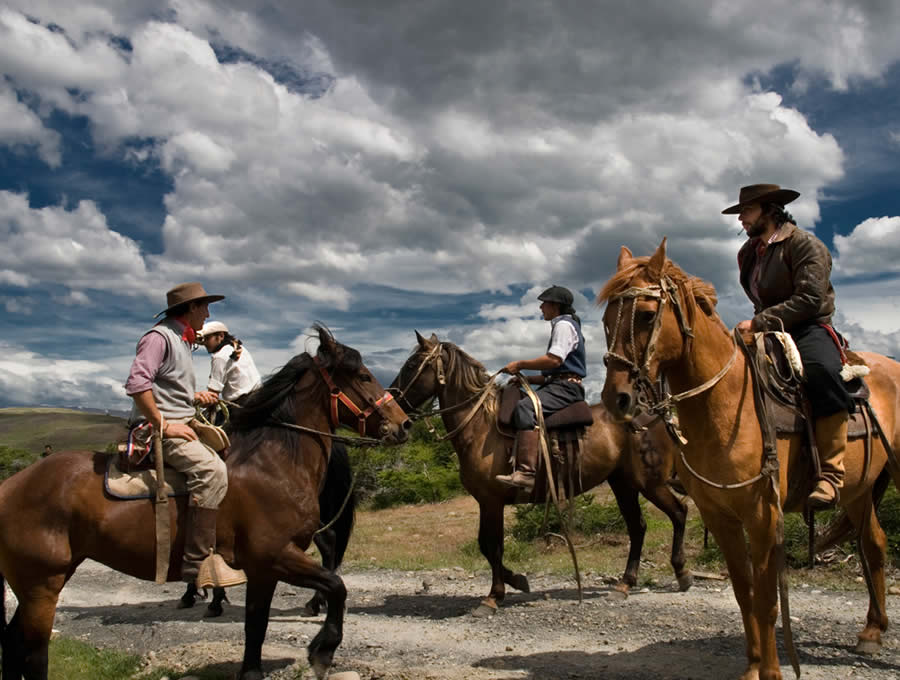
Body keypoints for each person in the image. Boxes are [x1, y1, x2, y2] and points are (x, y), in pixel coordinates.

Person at [726, 183, 854, 508]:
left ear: (769, 210)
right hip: (769, 329)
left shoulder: (804, 244)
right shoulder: (748, 253)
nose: (741, 218)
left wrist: (759, 323)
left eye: (747, 211)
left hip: (808, 327)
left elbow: (811, 299)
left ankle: (831, 474)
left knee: (823, 371)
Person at [124, 282, 246, 587]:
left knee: (231, 455)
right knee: (212, 471)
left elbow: (166, 387)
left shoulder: (180, 339)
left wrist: (193, 397)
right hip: (160, 430)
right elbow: (138, 384)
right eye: (204, 308)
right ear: (191, 308)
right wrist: (163, 425)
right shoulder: (159, 337)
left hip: (183, 420)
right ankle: (197, 565)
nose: (207, 315)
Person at [495, 285, 587, 491]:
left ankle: (526, 472)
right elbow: (553, 373)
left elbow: (554, 360)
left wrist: (520, 365)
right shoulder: (563, 325)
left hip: (565, 388)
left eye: (544, 303)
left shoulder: (563, 325)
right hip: (559, 384)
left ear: (555, 305)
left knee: (525, 408)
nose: (541, 308)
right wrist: (524, 379)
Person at [197, 320, 262, 405]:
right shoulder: (240, 348)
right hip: (259, 399)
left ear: (221, 336)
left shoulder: (219, 356)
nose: (205, 343)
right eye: (203, 340)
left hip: (240, 406)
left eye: (207, 338)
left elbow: (212, 395)